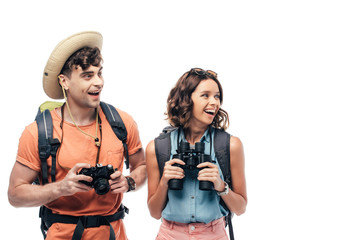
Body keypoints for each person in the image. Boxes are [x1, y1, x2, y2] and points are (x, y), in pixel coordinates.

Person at [7, 31, 147, 240]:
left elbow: (142, 167)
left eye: (99, 73)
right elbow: (15, 195)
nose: (99, 82)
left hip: (113, 234)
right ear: (64, 81)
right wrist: (60, 188)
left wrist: (129, 182)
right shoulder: (37, 132)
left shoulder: (122, 122)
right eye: (87, 76)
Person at [146, 68, 247, 240]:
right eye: (205, 95)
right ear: (186, 99)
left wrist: (220, 186)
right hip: (170, 234)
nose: (214, 102)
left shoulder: (230, 145)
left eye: (217, 96)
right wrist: (164, 182)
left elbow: (240, 208)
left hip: (213, 234)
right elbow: (155, 213)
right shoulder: (157, 147)